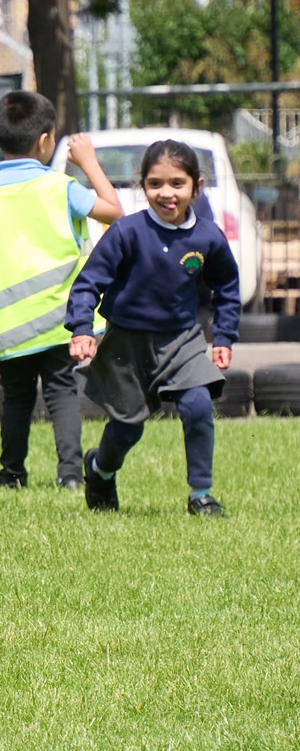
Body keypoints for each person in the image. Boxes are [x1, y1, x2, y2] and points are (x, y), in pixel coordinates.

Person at [68, 139, 239, 517]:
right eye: (155, 183)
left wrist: (224, 335)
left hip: (182, 339)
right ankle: (101, 471)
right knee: (128, 428)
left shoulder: (208, 236)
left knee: (197, 405)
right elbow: (88, 283)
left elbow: (227, 287)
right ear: (142, 185)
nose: (167, 193)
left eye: (177, 183)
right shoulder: (127, 232)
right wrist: (82, 328)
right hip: (125, 344)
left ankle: (201, 495)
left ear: (197, 184)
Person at [0, 91, 123, 492]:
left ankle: (12, 475)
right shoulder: (61, 187)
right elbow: (114, 211)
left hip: (8, 322)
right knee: (62, 392)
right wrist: (87, 161)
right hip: (61, 318)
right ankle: (70, 474)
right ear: (44, 140)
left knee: (16, 396)